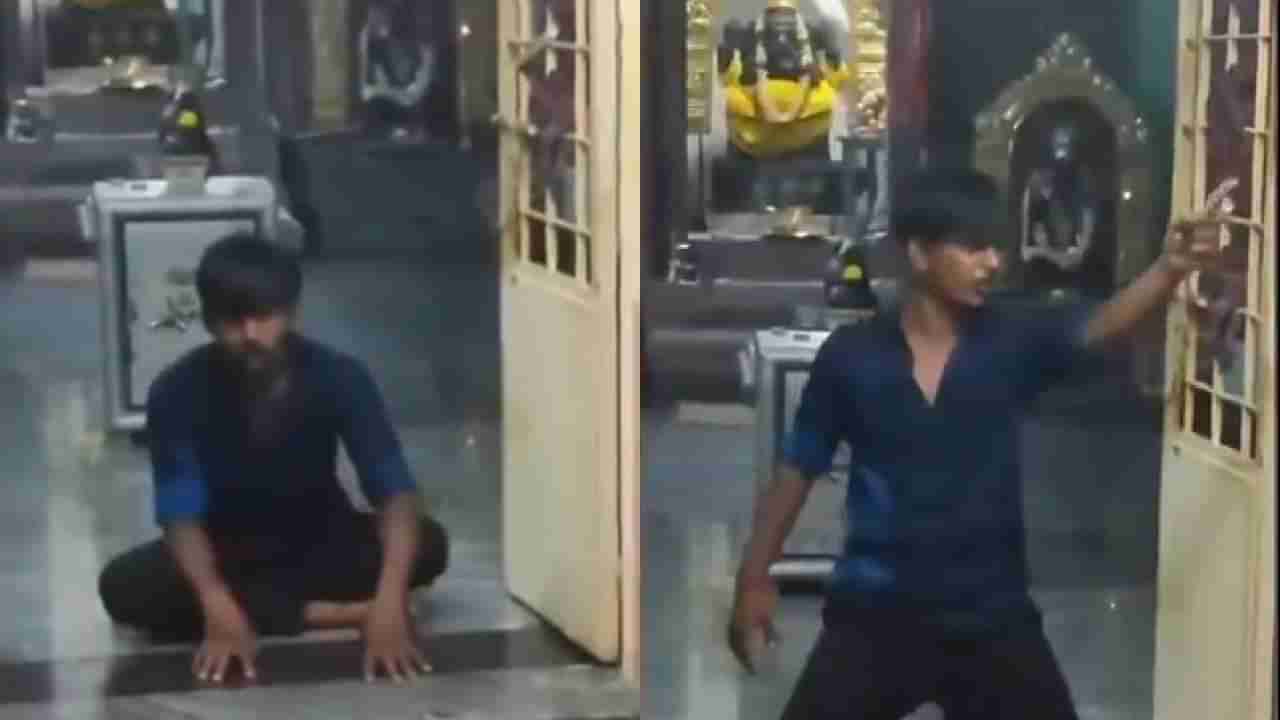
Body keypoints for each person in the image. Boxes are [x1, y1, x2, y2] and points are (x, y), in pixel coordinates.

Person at [727, 168, 1223, 719]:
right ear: (919, 254)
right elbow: (798, 467)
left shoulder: (1011, 339)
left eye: (996, 247)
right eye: (973, 247)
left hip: (991, 615)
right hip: (875, 613)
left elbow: (1102, 324)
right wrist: (753, 578)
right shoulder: (852, 356)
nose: (993, 262)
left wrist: (1169, 267)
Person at [98, 234, 449, 685]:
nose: (250, 335)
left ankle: (303, 610)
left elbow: (393, 491)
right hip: (227, 548)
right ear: (207, 320)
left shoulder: (340, 376)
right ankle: (343, 613)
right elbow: (179, 511)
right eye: (233, 319)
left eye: (263, 316)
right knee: (123, 587)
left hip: (322, 538)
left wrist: (391, 597)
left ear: (291, 312)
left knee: (430, 543)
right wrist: (214, 600)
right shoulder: (175, 390)